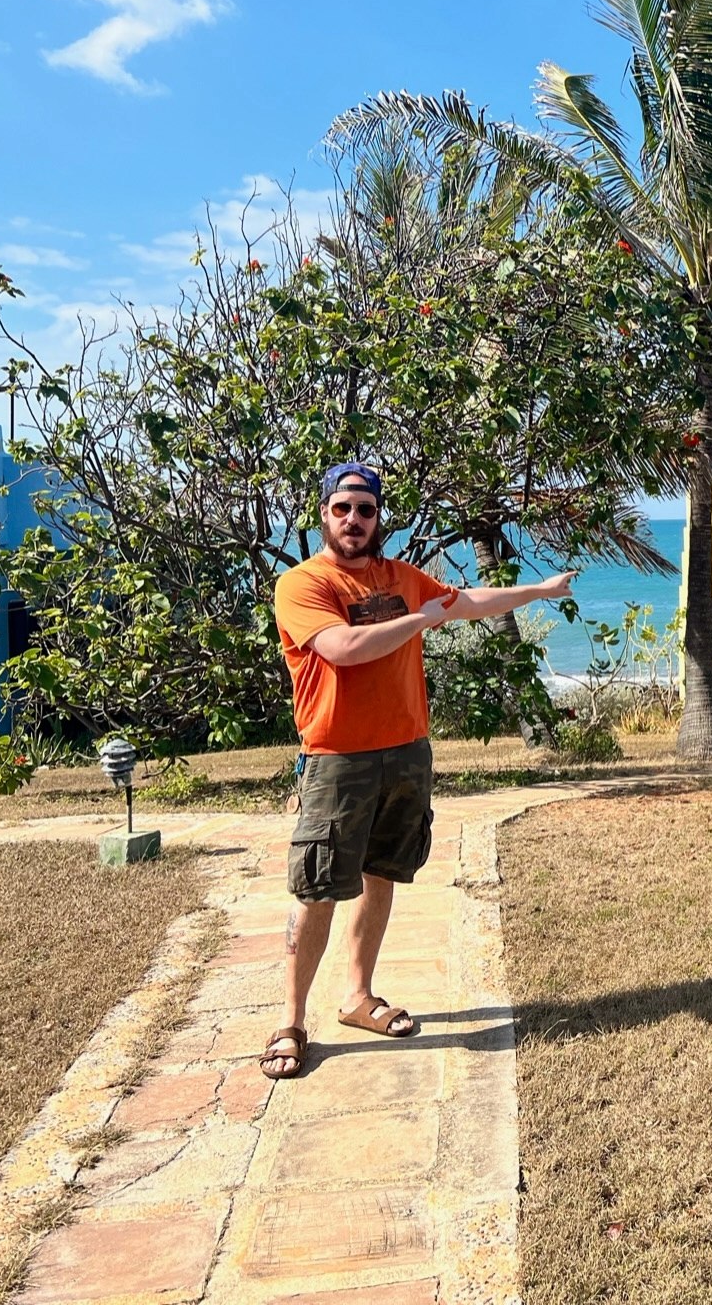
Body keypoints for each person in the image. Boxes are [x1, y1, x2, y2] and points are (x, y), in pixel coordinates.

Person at [260, 461, 574, 1079]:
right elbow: (343, 650)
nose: (354, 520)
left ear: (379, 518)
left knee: (383, 875)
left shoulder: (400, 577)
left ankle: (357, 997)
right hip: (336, 758)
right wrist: (425, 617)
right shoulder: (304, 584)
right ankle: (291, 1021)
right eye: (342, 508)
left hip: (406, 751)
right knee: (319, 888)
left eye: (366, 510)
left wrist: (538, 592)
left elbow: (469, 601)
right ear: (323, 514)